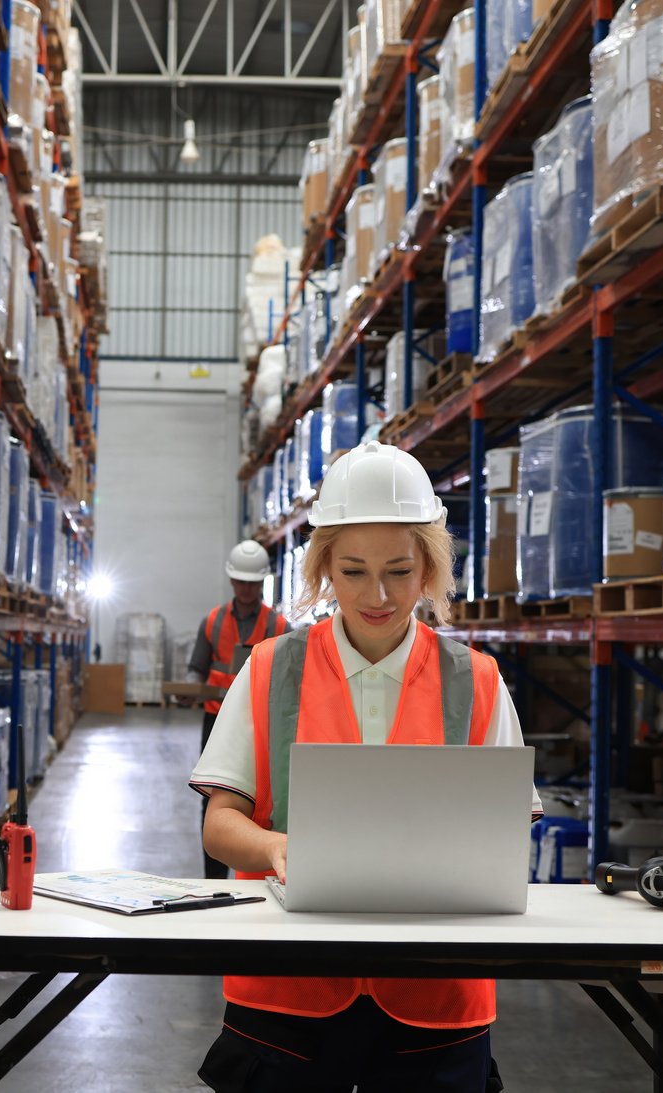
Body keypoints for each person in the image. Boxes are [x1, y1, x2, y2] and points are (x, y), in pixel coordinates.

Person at [189, 442, 542, 1093]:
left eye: (399, 571)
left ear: (430, 568)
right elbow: (219, 823)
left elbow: (507, 831)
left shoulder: (478, 680)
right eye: (351, 571)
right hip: (288, 986)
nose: (375, 595)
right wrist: (276, 846)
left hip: (435, 989)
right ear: (322, 566)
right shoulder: (269, 668)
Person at [186, 540, 291, 879]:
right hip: (216, 718)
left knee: (259, 800)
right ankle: (213, 881)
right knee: (216, 801)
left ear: (262, 583)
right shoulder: (213, 622)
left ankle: (260, 870)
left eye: (253, 582)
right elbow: (196, 669)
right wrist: (190, 690)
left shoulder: (279, 627)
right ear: (231, 581)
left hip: (263, 725)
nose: (246, 588)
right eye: (241, 581)